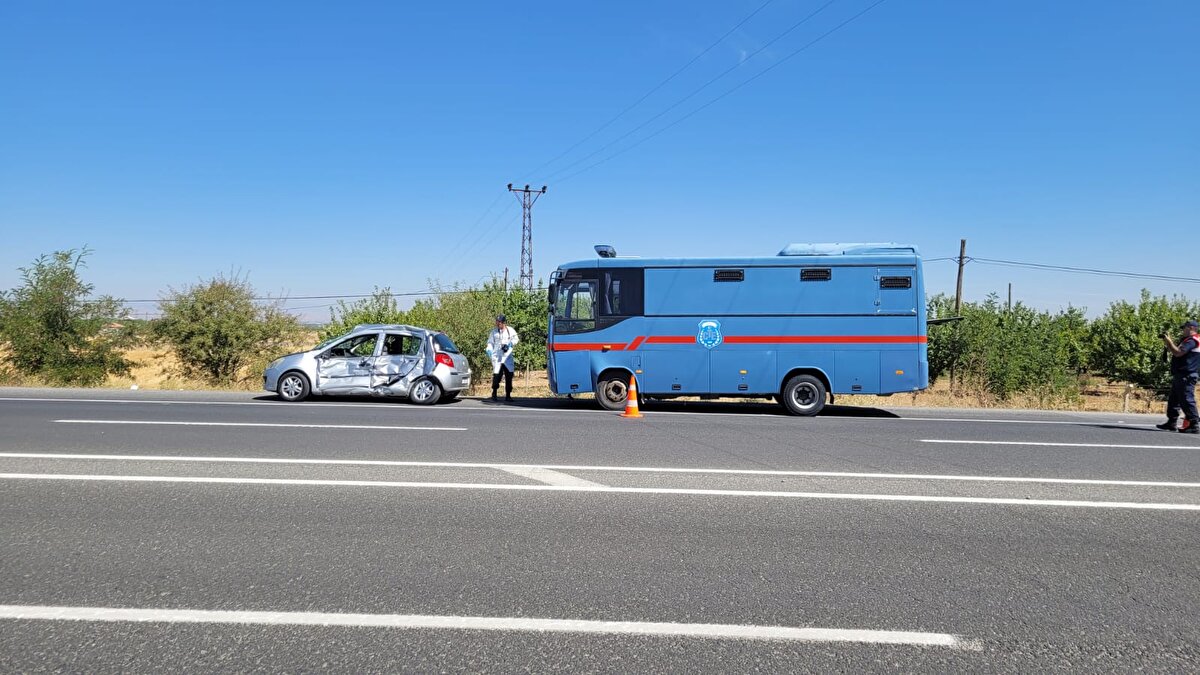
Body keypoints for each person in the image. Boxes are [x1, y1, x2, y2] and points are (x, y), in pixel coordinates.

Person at [1157, 320, 1200, 433]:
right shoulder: (1189, 340)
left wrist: (1169, 341)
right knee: (1174, 400)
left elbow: (1178, 352)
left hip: (1187, 375)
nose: (1182, 330)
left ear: (1190, 328)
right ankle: (1171, 422)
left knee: (1187, 399)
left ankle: (1194, 423)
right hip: (1181, 374)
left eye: (1184, 328)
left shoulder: (1192, 340)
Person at [486, 314, 519, 402]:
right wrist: (489, 350)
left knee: (509, 376)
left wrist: (510, 344)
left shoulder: (510, 330)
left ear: (504, 322)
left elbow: (516, 339)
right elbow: (490, 342)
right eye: (497, 322)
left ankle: (508, 395)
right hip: (497, 357)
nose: (498, 324)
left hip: (507, 357)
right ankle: (494, 393)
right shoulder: (494, 332)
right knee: (497, 376)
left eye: (499, 322)